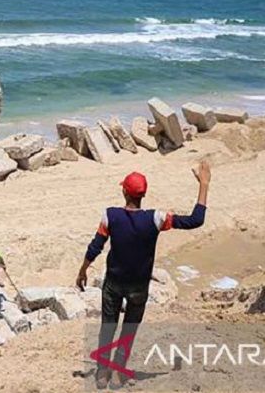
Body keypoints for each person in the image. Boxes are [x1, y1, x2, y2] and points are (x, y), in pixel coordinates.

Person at [76, 161, 211, 389]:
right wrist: (204, 185)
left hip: (114, 283)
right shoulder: (156, 219)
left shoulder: (110, 216)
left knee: (108, 325)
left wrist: (82, 270)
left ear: (124, 191)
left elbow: (95, 246)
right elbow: (195, 220)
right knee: (130, 328)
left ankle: (101, 373)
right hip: (139, 286)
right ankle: (118, 374)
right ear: (143, 195)